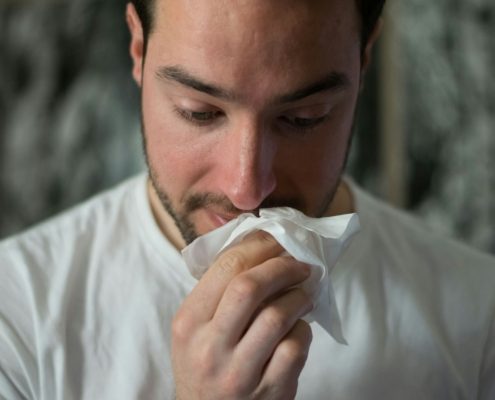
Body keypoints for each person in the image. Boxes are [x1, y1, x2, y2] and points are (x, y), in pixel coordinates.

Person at [1, 0, 494, 399]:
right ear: (137, 48)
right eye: (199, 113)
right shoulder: (16, 318)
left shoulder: (479, 322)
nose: (247, 188)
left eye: (304, 118)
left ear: (363, 63)